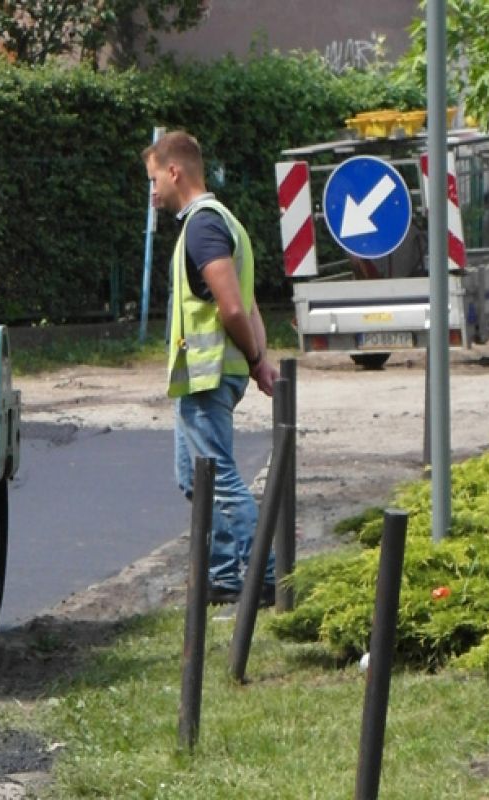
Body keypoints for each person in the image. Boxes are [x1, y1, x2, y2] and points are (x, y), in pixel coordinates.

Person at [142, 131, 279, 605]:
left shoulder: (202, 226)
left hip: (208, 375)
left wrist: (258, 359)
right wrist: (260, 364)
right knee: (192, 476)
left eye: (154, 179)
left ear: (174, 171)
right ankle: (224, 575)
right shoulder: (222, 223)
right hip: (206, 374)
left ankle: (265, 572)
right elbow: (250, 306)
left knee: (217, 477)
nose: (153, 191)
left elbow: (233, 309)